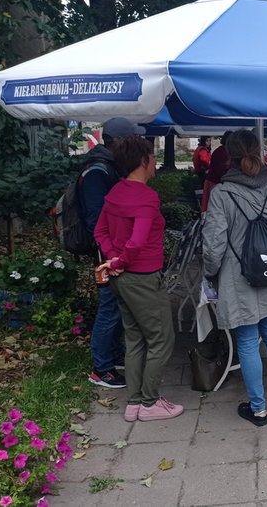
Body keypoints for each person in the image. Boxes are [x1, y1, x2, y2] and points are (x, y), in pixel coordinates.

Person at [202, 130, 267, 427]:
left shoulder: (222, 194)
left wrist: (211, 272)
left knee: (247, 341)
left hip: (239, 277)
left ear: (228, 154)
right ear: (259, 150)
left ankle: (258, 409)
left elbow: (214, 245)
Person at [94, 136, 182, 422]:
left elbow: (101, 232)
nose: (155, 162)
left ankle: (134, 403)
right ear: (143, 161)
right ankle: (149, 402)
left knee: (134, 338)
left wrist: (112, 260)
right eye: (152, 157)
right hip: (143, 277)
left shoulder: (115, 192)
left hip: (121, 279)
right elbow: (138, 240)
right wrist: (120, 260)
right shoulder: (145, 196)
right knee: (161, 338)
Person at [82, 117, 142, 389]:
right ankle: (101, 369)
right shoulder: (97, 172)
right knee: (109, 308)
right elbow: (97, 222)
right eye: (132, 140)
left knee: (118, 307)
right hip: (107, 256)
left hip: (115, 254)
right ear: (118, 142)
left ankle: (112, 354)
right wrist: (111, 258)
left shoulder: (109, 168)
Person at [201, 131, 232, 212]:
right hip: (214, 182)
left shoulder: (227, 151)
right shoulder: (220, 152)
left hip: (220, 182)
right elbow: (219, 171)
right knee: (212, 207)